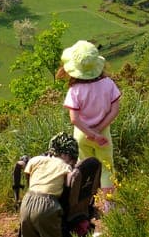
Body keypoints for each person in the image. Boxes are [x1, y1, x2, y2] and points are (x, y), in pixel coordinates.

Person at [58, 40, 121, 210]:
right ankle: (110, 206)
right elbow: (115, 109)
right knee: (107, 169)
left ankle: (84, 206)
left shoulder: (75, 90)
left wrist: (89, 133)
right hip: (103, 134)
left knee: (84, 169)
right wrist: (99, 131)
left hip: (82, 134)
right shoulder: (108, 84)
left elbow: (74, 119)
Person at [19, 133, 78, 237]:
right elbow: (68, 187)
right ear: (68, 156)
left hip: (27, 202)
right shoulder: (65, 167)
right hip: (47, 205)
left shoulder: (35, 160)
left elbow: (28, 177)